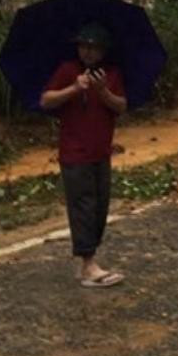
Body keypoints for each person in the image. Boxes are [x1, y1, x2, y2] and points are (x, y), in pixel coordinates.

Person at [42, 23, 127, 288]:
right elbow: (46, 100)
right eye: (84, 47)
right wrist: (74, 89)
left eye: (93, 48)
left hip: (101, 151)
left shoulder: (111, 74)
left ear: (103, 51)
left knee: (100, 206)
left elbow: (121, 106)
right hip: (75, 152)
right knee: (83, 206)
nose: (88, 53)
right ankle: (88, 263)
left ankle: (89, 262)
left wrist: (102, 91)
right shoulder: (68, 71)